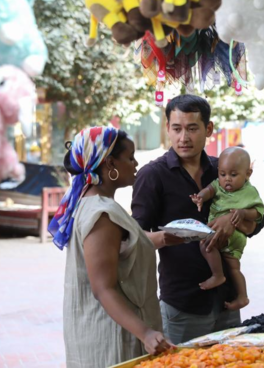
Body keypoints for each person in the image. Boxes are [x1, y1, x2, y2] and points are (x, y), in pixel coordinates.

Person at [131, 95, 264, 344]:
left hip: (227, 300)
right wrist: (166, 237)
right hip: (183, 303)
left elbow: (255, 222)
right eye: (177, 128)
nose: (184, 137)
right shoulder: (152, 175)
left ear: (209, 129)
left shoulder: (224, 169)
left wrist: (233, 220)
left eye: (192, 128)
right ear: (168, 130)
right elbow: (134, 239)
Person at [49, 127, 174, 368]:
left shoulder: (91, 202)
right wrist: (145, 333)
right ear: (109, 164)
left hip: (109, 327)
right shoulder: (102, 213)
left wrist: (165, 238)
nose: (136, 163)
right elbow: (103, 288)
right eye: (130, 157)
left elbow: (120, 248)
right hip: (112, 335)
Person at [190, 147, 264, 310]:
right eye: (222, 174)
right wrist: (200, 198)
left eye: (233, 175)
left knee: (205, 244)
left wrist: (243, 213)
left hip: (236, 234)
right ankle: (242, 296)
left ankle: (217, 275)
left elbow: (258, 212)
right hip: (225, 232)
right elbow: (209, 190)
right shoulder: (219, 185)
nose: (227, 180)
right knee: (234, 267)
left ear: (248, 174)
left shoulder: (249, 192)